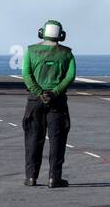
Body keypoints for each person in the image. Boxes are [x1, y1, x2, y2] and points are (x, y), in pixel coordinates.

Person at [21, 19, 77, 188]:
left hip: (34, 101)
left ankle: (31, 177)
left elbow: (26, 75)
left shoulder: (31, 51)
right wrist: (55, 92)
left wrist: (39, 93)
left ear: (41, 32)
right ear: (61, 35)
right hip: (57, 102)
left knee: (33, 138)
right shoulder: (67, 53)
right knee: (57, 139)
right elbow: (70, 76)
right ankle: (54, 178)